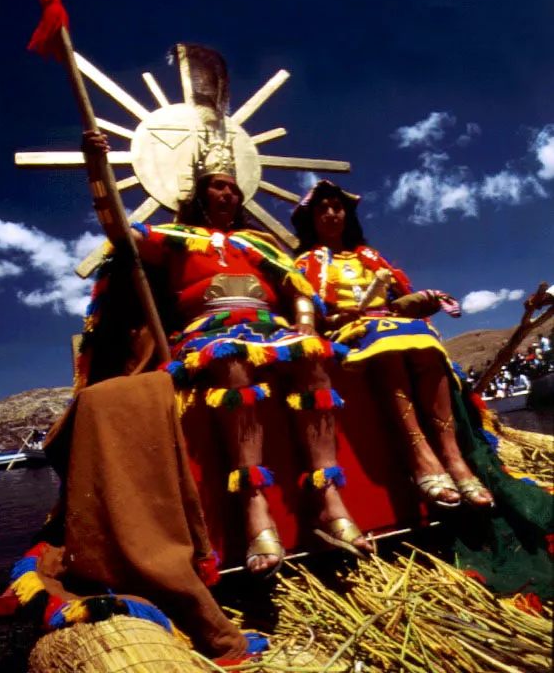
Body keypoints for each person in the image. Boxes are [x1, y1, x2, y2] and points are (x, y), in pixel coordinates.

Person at [80, 65, 371, 575]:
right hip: (209, 331)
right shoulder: (172, 238)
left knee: (314, 362)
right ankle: (255, 510)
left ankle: (332, 502)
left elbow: (298, 290)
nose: (229, 196)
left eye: (234, 191)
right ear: (199, 193)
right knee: (232, 362)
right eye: (218, 188)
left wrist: (305, 325)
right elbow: (117, 231)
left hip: (272, 328)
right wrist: (97, 169)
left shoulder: (259, 244)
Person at [292, 180, 494, 509]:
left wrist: (426, 299)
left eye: (337, 207)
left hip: (391, 324)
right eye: (322, 209)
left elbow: (400, 301)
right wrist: (331, 319)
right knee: (387, 345)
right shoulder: (303, 265)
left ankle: (453, 457)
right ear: (310, 219)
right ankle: (419, 456)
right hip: (344, 330)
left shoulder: (372, 258)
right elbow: (306, 311)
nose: (331, 213)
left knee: (425, 345)